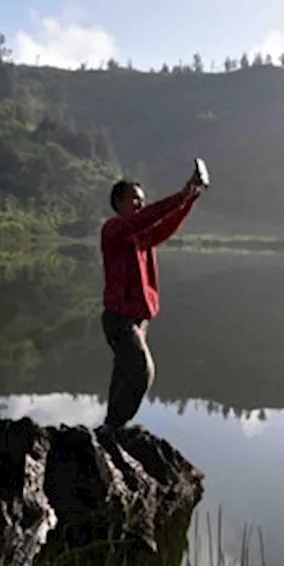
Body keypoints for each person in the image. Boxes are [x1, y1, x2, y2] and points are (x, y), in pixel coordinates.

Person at [98, 169, 205, 431]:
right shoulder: (113, 229)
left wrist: (190, 198)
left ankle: (110, 428)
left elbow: (165, 225)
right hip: (119, 319)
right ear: (118, 202)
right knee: (141, 371)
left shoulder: (142, 236)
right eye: (135, 199)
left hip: (139, 320)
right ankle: (116, 427)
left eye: (142, 200)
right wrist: (181, 195)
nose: (140, 204)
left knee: (123, 374)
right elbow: (147, 218)